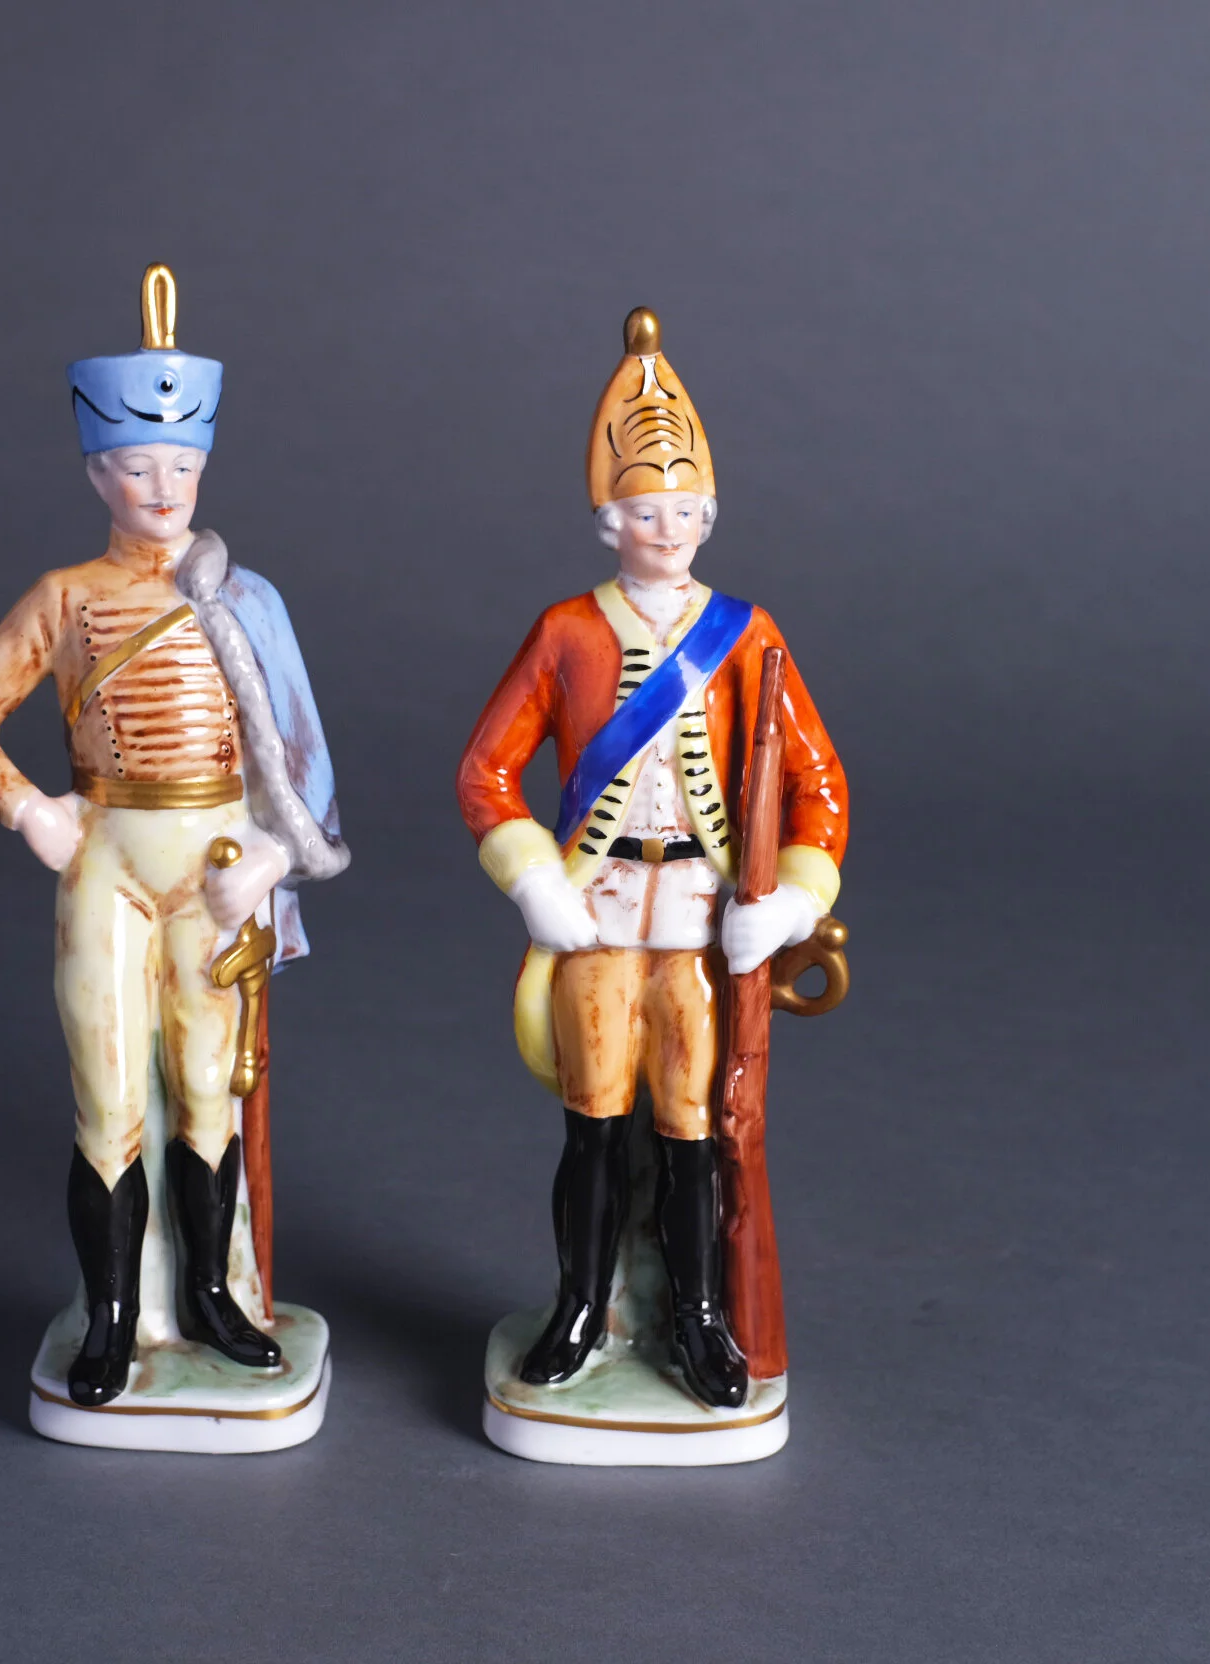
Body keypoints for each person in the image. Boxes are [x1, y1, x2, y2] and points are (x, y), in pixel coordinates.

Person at [0, 265, 347, 1406]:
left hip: (216, 869)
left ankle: (208, 1297)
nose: (161, 487)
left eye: (180, 465)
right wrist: (29, 807)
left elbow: (302, 757)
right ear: (94, 472)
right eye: (135, 464)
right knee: (109, 1094)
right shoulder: (65, 598)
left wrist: (273, 857)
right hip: (108, 863)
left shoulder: (247, 599)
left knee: (207, 1086)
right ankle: (116, 1315)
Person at [455, 306, 847, 1407]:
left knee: (689, 1127)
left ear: (707, 515)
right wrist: (534, 876)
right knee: (592, 1121)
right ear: (608, 519)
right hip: (598, 903)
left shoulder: (747, 633)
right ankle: (581, 1306)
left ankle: (697, 1316)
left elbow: (818, 781)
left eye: (682, 510)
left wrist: (791, 900)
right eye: (644, 510)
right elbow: (485, 770)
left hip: (699, 910)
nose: (665, 528)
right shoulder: (566, 632)